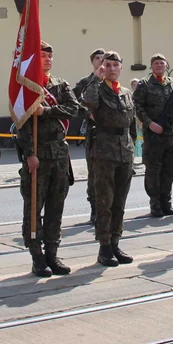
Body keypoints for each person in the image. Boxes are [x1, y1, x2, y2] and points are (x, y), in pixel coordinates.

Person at [17, 42, 79, 277]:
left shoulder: (60, 85)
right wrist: (29, 154)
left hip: (60, 154)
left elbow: (74, 108)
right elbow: (21, 124)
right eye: (42, 56)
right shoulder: (26, 87)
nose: (47, 60)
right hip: (38, 153)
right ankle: (37, 256)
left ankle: (52, 253)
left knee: (56, 206)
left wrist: (48, 111)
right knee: (33, 208)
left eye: (50, 56)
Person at [83, 51, 136, 266]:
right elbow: (87, 101)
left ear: (121, 67)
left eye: (116, 65)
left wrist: (133, 148)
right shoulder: (97, 89)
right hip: (104, 151)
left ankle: (115, 242)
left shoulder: (126, 92)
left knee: (120, 202)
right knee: (105, 201)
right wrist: (97, 77)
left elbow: (131, 123)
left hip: (125, 150)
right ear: (102, 67)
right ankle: (104, 247)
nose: (112, 69)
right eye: (108, 65)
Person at [132, 53, 173, 218]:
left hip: (170, 135)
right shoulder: (144, 84)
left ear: (166, 65)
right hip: (153, 136)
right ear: (151, 66)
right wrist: (149, 123)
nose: (159, 66)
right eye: (156, 63)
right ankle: (155, 205)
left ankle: (166, 203)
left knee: (169, 171)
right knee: (154, 171)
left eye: (162, 63)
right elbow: (138, 107)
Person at [74, 48, 105, 225]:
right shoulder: (86, 81)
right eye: (98, 58)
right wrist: (88, 113)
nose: (101, 61)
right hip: (93, 135)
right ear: (92, 61)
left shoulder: (109, 80)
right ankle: (94, 208)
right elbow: (74, 102)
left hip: (110, 134)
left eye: (104, 58)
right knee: (94, 173)